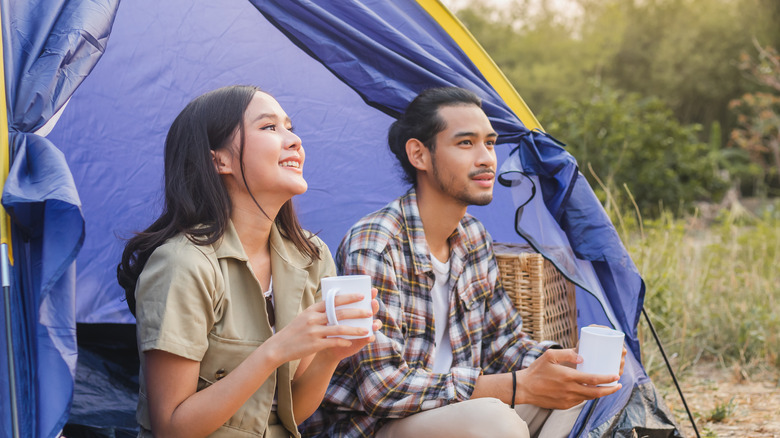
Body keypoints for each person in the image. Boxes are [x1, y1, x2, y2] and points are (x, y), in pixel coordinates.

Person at [301, 87, 625, 438]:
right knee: (494, 421)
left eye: (490, 142)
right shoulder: (375, 243)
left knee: (576, 392)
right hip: (377, 427)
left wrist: (570, 364)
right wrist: (518, 387)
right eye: (466, 143)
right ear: (419, 154)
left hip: (458, 412)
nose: (486, 158)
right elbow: (382, 388)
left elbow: (506, 343)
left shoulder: (472, 237)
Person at [117, 85, 380, 438]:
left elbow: (288, 415)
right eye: (270, 127)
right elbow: (172, 428)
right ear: (219, 160)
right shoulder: (183, 264)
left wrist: (332, 353)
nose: (294, 140)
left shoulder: (311, 256)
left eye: (290, 126)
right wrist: (273, 351)